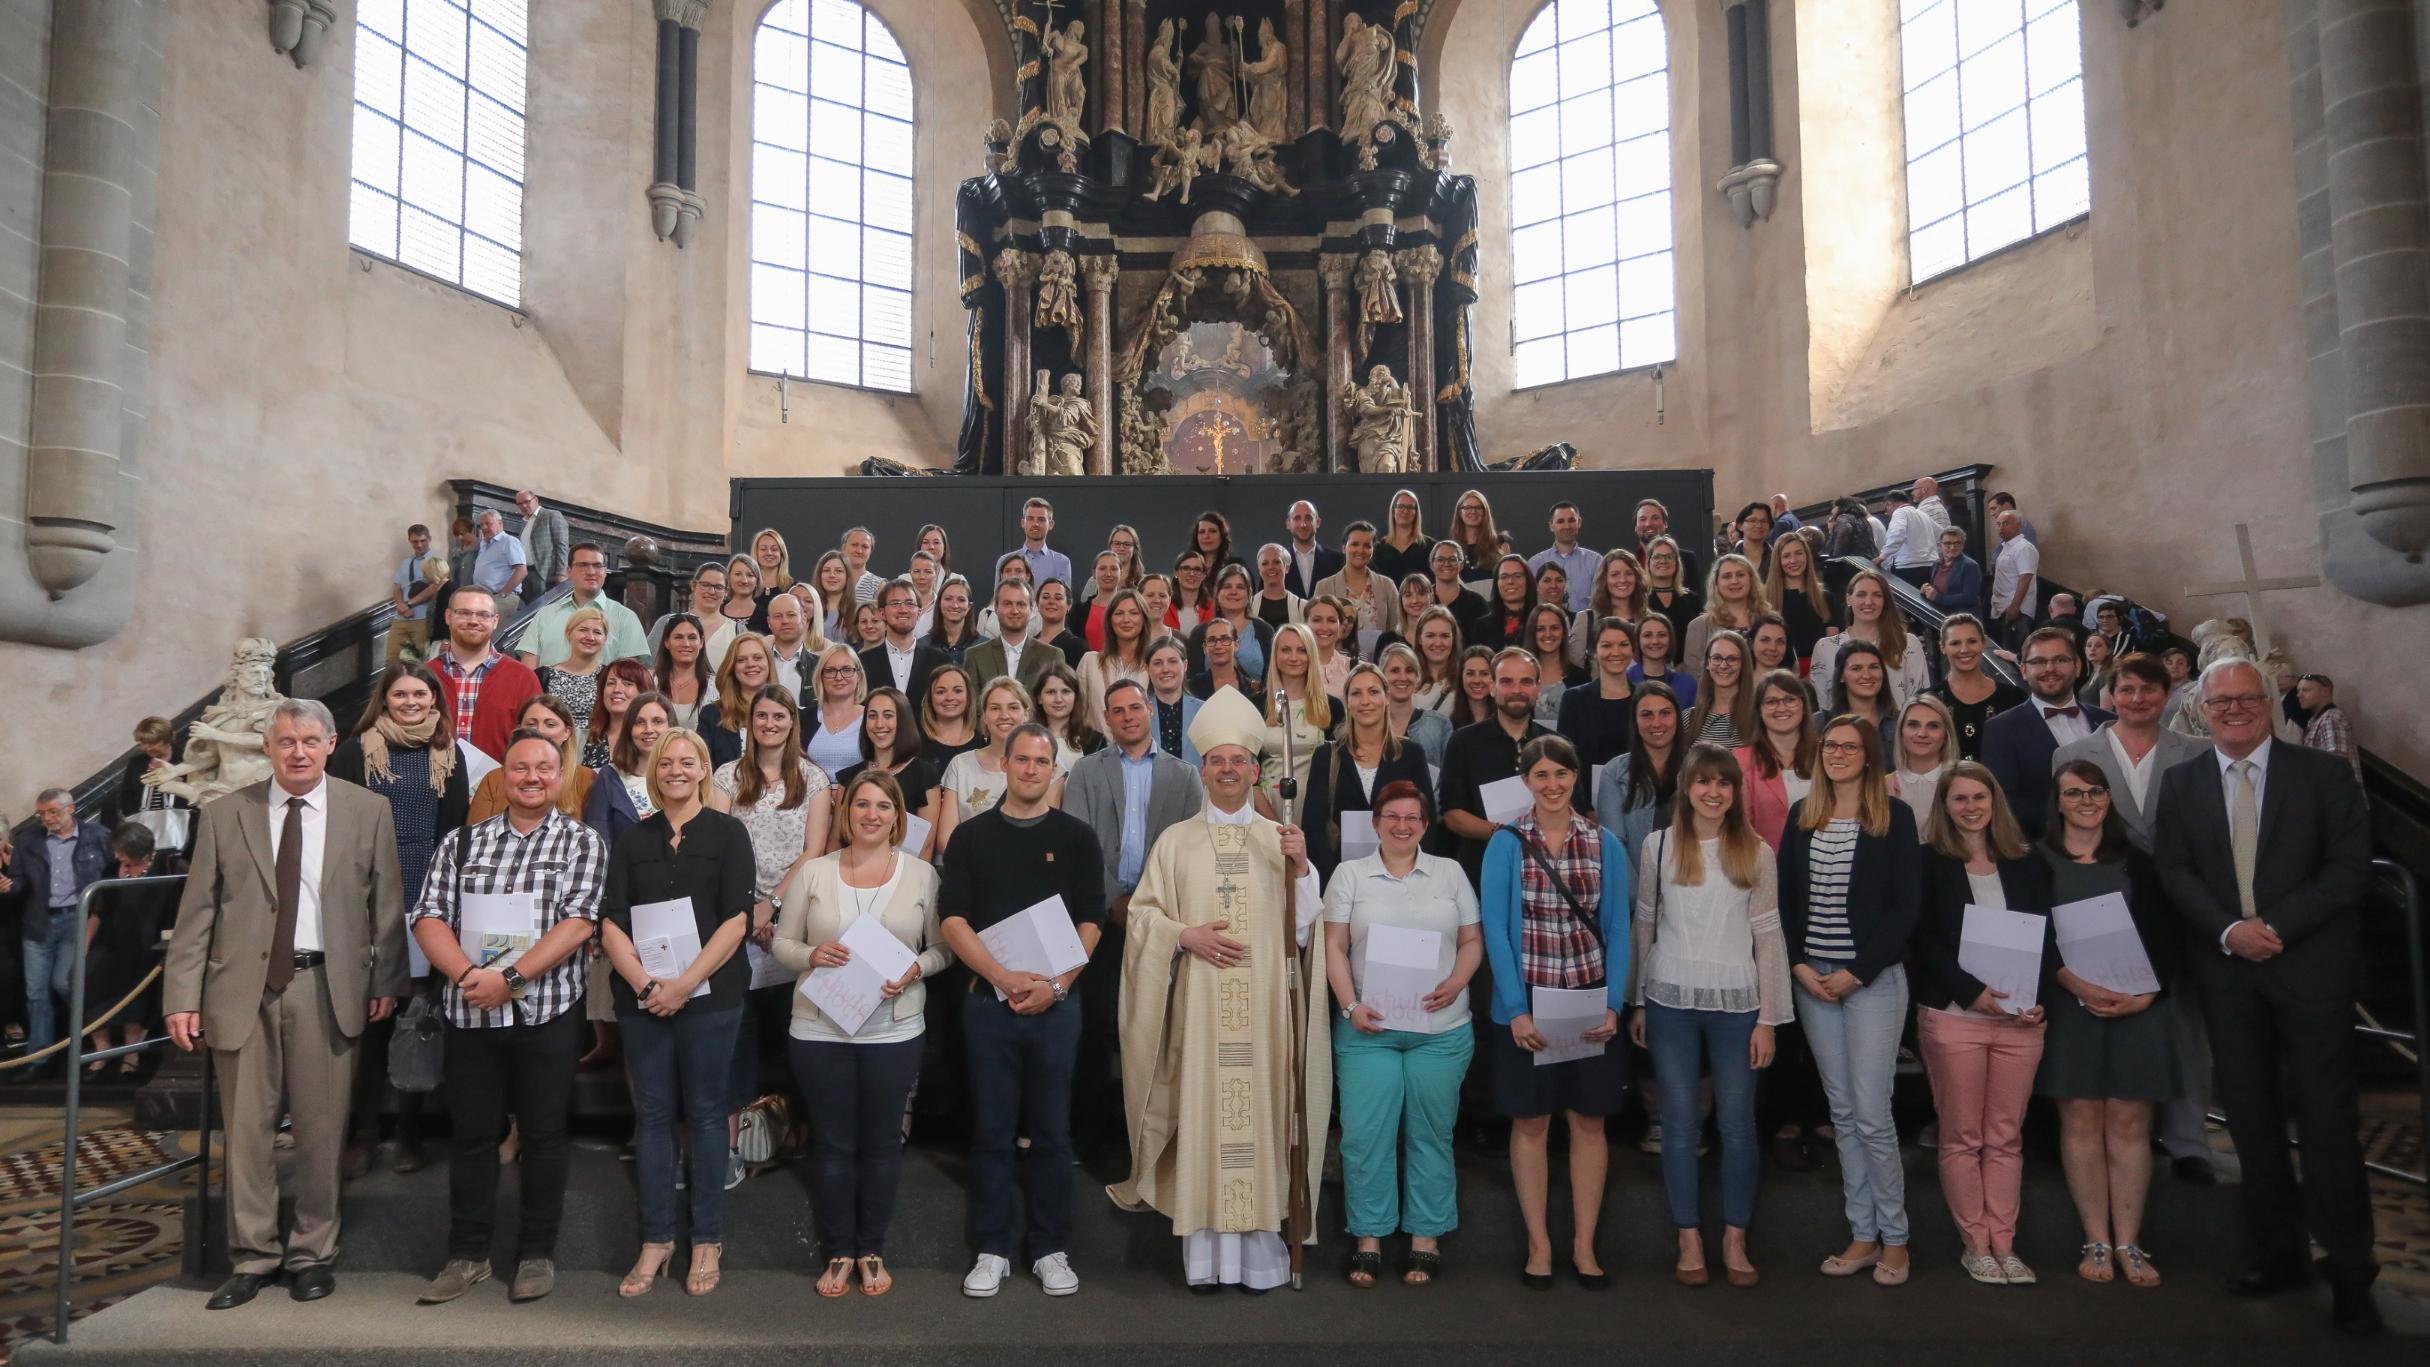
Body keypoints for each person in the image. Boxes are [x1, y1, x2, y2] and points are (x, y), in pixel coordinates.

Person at [2151, 660, 2380, 1335]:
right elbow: (2174, 869)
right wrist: (2229, 930)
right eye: (2219, 701)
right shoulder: (2184, 781)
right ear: (2202, 709)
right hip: (2227, 973)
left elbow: (2348, 866)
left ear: (2268, 703)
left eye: (2247, 698)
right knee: (2250, 1121)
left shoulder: (2324, 775)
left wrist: (2275, 928)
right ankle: (2277, 1253)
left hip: (2309, 969)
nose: (2233, 709)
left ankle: (2350, 1273)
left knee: (2329, 1123)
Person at [165, 699, 407, 1310]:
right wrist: (180, 996)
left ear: (330, 745)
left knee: (322, 1133)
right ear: (269, 749)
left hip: (327, 988)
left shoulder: (367, 810)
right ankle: (252, 1257)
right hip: (238, 993)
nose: (297, 751)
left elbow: (386, 908)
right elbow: (196, 916)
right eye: (285, 741)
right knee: (247, 1133)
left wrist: (387, 982)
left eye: (309, 740)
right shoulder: (226, 814)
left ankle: (311, 1254)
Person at [1109, 689, 1327, 1292]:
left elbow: (1306, 929)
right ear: (1201, 769)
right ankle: (1206, 1262)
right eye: (1217, 761)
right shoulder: (1175, 842)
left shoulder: (1280, 839)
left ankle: (1259, 1261)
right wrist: (1185, 936)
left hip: (1263, 1019)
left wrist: (1303, 866)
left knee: (1260, 1123)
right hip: (1199, 1013)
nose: (1228, 770)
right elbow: (1144, 918)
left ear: (1257, 770)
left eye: (1239, 762)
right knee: (1205, 1119)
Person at [410, 727, 606, 1306]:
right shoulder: (462, 844)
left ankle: (536, 1253)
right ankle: (467, 1254)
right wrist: (471, 978)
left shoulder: (579, 842)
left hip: (547, 1015)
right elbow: (428, 916)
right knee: (472, 1136)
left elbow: (579, 922)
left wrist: (511, 979)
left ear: (559, 774)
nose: (531, 778)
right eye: (520, 768)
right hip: (471, 1015)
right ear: (503, 776)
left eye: (544, 768)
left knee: (544, 1136)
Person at [937, 725, 1105, 1297]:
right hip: (989, 1004)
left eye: (1042, 761)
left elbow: (1091, 921)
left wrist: (1056, 986)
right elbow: (952, 919)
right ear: (1003, 765)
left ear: (1054, 769)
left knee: (1053, 1133)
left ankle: (1051, 1249)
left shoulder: (1077, 838)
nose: (1032, 769)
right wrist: (1002, 976)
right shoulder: (970, 837)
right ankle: (991, 1249)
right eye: (1022, 760)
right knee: (991, 1131)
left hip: (1059, 1007)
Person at [771, 770, 950, 1298]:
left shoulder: (922, 876)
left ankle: (871, 1247)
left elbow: (945, 947)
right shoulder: (814, 874)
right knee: (830, 1142)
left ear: (899, 816)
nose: (872, 815)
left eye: (884, 806)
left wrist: (916, 968)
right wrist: (811, 954)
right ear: (845, 814)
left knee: (880, 1144)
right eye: (861, 805)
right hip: (818, 1028)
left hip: (892, 1033)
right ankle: (838, 1252)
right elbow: (782, 942)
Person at [597, 728, 754, 1298]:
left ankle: (707, 1238)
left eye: (688, 762)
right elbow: (611, 920)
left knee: (709, 1114)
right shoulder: (633, 837)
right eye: (667, 763)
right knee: (655, 1117)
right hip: (644, 1000)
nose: (677, 771)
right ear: (653, 772)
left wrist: (685, 985)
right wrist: (646, 985)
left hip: (710, 998)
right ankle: (656, 1239)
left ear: (704, 769)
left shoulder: (729, 833)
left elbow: (737, 919)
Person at [1626, 744, 1787, 1288]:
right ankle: (1688, 1235)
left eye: (1724, 783)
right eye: (1703, 783)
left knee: (1738, 1126)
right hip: (1669, 999)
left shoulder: (1757, 851)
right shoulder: (1659, 844)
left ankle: (1734, 1238)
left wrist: (1769, 1017)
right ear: (1687, 788)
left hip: (1738, 1005)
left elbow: (1768, 935)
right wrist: (1638, 1001)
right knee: (1678, 1123)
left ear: (1734, 792)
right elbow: (1644, 924)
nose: (1713, 792)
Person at [1480, 735, 1629, 1289]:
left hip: (1588, 1002)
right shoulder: (1506, 843)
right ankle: (1539, 1245)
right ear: (1525, 781)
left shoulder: (1603, 842)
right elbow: (1495, 926)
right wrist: (1516, 1010)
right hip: (1529, 1007)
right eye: (1540, 775)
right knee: (1532, 1122)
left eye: (1561, 774)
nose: (1552, 785)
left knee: (1590, 1123)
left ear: (1574, 778)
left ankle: (1584, 1245)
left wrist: (1614, 1002)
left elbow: (1617, 926)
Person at [1779, 716, 1921, 1286]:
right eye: (1830, 745)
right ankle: (1863, 1233)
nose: (1837, 753)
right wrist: (1799, 965)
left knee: (1872, 1114)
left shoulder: (1896, 817)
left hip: (1872, 983)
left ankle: (1897, 1239)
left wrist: (1857, 972)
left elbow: (1906, 909)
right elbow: (1785, 900)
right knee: (1841, 1113)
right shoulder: (1802, 815)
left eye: (1850, 746)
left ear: (1869, 756)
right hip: (1813, 983)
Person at [1324, 780, 1480, 1288]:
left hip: (1441, 1029)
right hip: (1370, 1027)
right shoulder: (1350, 876)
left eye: (1413, 817)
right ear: (1375, 822)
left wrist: (1457, 982)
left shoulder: (1450, 873)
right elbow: (1335, 947)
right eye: (1392, 815)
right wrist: (1350, 1005)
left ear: (1425, 824)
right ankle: (1368, 1238)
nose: (1402, 825)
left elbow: (1471, 940)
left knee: (1430, 1134)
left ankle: (1425, 1239)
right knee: (1366, 1136)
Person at [2040, 758, 2183, 1289]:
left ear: (2108, 798)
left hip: (2137, 1009)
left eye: (2095, 792)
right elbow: (2034, 937)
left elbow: (2170, 937)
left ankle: (2129, 1242)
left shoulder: (2139, 863)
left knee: (2128, 1124)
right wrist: (2071, 983)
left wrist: (2147, 995)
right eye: (2073, 793)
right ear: (2057, 801)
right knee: (2080, 1121)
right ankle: (2095, 1239)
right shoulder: (2036, 861)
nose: (2086, 801)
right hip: (2070, 1008)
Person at [1912, 762, 2055, 1286]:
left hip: (2021, 1021)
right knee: (1962, 1136)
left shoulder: (2026, 862)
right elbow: (1922, 940)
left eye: (1979, 796)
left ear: (1994, 801)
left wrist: (2041, 1000)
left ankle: (2005, 1243)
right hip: (1955, 1019)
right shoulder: (1929, 862)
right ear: (1945, 807)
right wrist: (1970, 992)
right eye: (1959, 799)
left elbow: (2046, 938)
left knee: (2006, 1137)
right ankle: (1976, 1244)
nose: (1971, 806)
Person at [1061, 680, 1202, 1160]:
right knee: (1095, 1027)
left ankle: (1155, 1138)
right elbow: (1079, 844)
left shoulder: (1184, 777)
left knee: (1159, 1027)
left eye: (1134, 707)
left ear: (1149, 710)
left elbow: (1189, 850)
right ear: (1107, 718)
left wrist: (1147, 906)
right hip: (1099, 920)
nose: (1127, 717)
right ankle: (1091, 1139)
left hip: (1162, 919)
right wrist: (1116, 902)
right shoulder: (1085, 771)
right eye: (1116, 711)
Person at [707, 684, 832, 946]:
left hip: (795, 906)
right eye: (761, 715)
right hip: (738, 905)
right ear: (751, 721)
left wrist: (771, 905)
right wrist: (749, 909)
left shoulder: (814, 778)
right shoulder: (727, 776)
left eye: (778, 716)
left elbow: (814, 850)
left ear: (792, 722)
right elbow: (717, 846)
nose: (769, 724)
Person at [1301, 664, 1433, 881]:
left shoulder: (1411, 754)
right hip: (1340, 877)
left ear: (1387, 697)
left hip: (1403, 878)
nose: (1365, 701)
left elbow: (1427, 821)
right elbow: (1313, 828)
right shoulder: (1326, 756)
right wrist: (1337, 878)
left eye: (1373, 692)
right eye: (1356, 693)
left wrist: (1408, 873)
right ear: (1347, 701)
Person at [1981, 627, 2113, 839]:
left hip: (2112, 847)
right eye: (2039, 662)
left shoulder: (2109, 723)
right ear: (2023, 670)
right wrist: (2072, 822)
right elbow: (2004, 801)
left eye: (2060, 660)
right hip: (2044, 852)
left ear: (2077, 666)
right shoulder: (2001, 729)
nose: (2050, 668)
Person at [12, 789, 113, 1064]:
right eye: (41, 813)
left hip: (77, 918)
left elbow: (112, 873)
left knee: (65, 982)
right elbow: (19, 881)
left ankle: (98, 1038)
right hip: (39, 921)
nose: (47, 818)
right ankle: (39, 1057)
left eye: (53, 811)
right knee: (36, 992)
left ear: (71, 809)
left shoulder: (97, 836)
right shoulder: (27, 840)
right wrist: (11, 886)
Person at [84, 821, 176, 1077]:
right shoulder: (114, 868)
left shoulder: (167, 865)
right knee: (89, 981)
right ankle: (101, 1049)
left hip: (149, 944)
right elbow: (98, 910)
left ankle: (131, 1052)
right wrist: (86, 944)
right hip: (112, 941)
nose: (116, 856)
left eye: (121, 851)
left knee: (135, 991)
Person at [938, 677, 1054, 848]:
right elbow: (945, 839)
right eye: (995, 708)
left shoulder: (1046, 765)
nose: (1004, 715)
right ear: (984, 716)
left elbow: (1049, 831)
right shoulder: (960, 765)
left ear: (1026, 714)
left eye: (1013, 707)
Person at [430, 587, 542, 761]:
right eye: (464, 613)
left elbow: (535, 742)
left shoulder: (523, 678)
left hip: (499, 785)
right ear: (448, 616)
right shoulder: (425, 677)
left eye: (483, 615)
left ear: (496, 621)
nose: (473, 621)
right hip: (433, 783)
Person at [1594, 682, 1683, 873]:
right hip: (1635, 893)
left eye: (1665, 713)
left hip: (1690, 889)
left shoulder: (1697, 768)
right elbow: (1614, 846)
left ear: (1677, 717)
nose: (1656, 723)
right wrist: (1640, 898)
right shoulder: (1614, 772)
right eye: (1646, 715)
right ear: (1635, 720)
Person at [470, 693, 596, 823]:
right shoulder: (494, 779)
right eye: (531, 724)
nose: (539, 731)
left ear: (567, 732)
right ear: (519, 730)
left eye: (550, 724)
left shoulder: (586, 778)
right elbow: (473, 837)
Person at [520, 544, 649, 668]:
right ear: (569, 571)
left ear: (604, 572)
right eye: (583, 565)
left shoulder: (625, 618)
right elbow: (528, 672)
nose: (591, 572)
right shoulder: (545, 615)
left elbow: (630, 675)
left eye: (598, 566)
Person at [1925, 614, 2026, 762]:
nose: (1964, 650)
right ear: (1943, 647)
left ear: (1984, 643)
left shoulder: (2014, 698)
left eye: (1972, 641)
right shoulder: (1928, 700)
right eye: (1955, 643)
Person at [1736, 670, 1818, 849]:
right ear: (1759, 710)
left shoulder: (1825, 755)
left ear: (1804, 706)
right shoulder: (1742, 761)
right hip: (1764, 865)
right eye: (1771, 702)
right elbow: (1739, 826)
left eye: (1790, 699)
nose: (1781, 708)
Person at [585, 692, 675, 847]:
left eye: (658, 721)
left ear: (670, 726)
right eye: (639, 722)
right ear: (628, 729)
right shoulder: (609, 776)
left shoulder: (684, 775)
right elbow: (598, 841)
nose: (648, 729)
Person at [1260, 624, 1334, 810]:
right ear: (1275, 655)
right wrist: (1272, 824)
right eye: (1285, 650)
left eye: (1301, 650)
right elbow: (1249, 772)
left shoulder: (1333, 707)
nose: (1294, 658)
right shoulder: (1256, 704)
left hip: (1317, 806)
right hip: (1266, 808)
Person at [862, 578, 952, 713]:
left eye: (910, 603)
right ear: (882, 613)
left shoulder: (941, 662)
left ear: (919, 612)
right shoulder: (862, 663)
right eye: (895, 603)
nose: (903, 609)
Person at [964, 579, 1059, 695]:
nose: (1014, 611)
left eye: (1021, 604)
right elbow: (973, 706)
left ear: (1031, 609)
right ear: (996, 608)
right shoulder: (975, 656)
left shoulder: (1052, 656)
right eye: (1008, 604)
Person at [1313, 521, 1402, 639]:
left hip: (1380, 656)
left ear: (1372, 550)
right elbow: (1315, 630)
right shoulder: (1324, 587)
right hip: (1337, 656)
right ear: (1344, 548)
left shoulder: (1387, 585)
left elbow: (1398, 628)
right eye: (1355, 544)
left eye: (1367, 546)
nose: (1360, 550)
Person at [700, 634, 777, 769]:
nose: (751, 664)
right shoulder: (711, 715)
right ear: (732, 667)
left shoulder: (788, 711)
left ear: (769, 663)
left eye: (757, 658)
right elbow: (702, 766)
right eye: (741, 660)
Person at [533, 606, 610, 738]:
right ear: (569, 633)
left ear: (605, 639)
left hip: (598, 751)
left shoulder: (610, 676)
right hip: (554, 750)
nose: (590, 637)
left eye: (597, 632)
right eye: (583, 630)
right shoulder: (543, 676)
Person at [1080, 588, 1154, 724]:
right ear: (1110, 620)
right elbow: (1078, 715)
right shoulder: (1089, 662)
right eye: (1119, 613)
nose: (1126, 619)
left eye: (1134, 613)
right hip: (1099, 744)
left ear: (1144, 619)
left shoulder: (1154, 664)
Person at [1378, 642, 1455, 771]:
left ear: (1417, 677)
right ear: (1382, 676)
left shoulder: (1439, 724)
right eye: (1395, 670)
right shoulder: (1368, 723)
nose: (1403, 677)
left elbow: (1449, 778)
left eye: (1409, 671)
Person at [1765, 534, 1839, 667]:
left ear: (1807, 556)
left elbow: (1832, 647)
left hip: (1821, 672)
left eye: (1798, 553)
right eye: (1786, 556)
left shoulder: (1826, 598)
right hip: (1781, 673)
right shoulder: (1767, 600)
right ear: (1778, 561)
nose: (1793, 560)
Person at [1191, 563, 1271, 681]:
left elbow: (1273, 679)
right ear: (1217, 593)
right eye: (1227, 586)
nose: (1233, 592)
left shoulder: (1265, 631)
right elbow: (1192, 681)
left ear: (1249, 594)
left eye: (1240, 587)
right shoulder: (1199, 633)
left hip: (1255, 699)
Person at [1684, 554, 1767, 667]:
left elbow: (1789, 665)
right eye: (1727, 576)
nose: (1734, 581)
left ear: (1752, 580)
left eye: (1740, 575)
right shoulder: (1699, 627)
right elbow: (1694, 674)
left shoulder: (1770, 620)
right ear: (1716, 583)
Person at [801, 642, 868, 780]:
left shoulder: (871, 717)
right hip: (812, 797)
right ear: (821, 676)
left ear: (859, 676)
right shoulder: (804, 718)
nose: (839, 677)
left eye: (847, 670)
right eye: (830, 671)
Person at [1892, 695, 1959, 827]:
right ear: (1901, 731)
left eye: (1933, 726)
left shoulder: (1964, 782)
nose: (1922, 733)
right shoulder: (1881, 786)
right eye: (1913, 725)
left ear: (1946, 735)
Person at [1685, 630, 1754, 750]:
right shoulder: (1688, 719)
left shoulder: (1758, 717)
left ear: (1743, 664)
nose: (1723, 665)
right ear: (1707, 663)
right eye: (1717, 658)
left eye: (1732, 659)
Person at [1526, 501, 1598, 613]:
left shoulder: (1596, 562)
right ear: (1551, 525)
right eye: (1560, 521)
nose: (1566, 526)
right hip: (1546, 627)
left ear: (1579, 522)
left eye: (1571, 520)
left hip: (1588, 628)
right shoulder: (1535, 563)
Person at [1831, 640, 1900, 752]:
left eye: (1873, 667)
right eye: (1856, 668)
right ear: (1841, 676)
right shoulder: (1822, 723)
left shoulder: (1902, 722)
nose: (1867, 675)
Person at [388, 523, 443, 663]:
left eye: (423, 541)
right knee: (392, 660)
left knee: (420, 661)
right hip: (400, 618)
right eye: (415, 541)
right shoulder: (406, 562)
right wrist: (401, 605)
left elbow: (435, 586)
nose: (419, 545)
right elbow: (397, 587)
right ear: (410, 541)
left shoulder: (435, 561)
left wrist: (409, 604)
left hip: (422, 618)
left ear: (429, 539)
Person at [1187, 613, 1265, 709]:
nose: (1218, 646)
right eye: (1212, 640)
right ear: (1204, 648)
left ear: (1236, 645)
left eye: (1225, 639)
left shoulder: (1254, 689)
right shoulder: (1191, 687)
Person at [650, 561, 729, 655]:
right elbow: (647, 665)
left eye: (719, 587)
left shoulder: (737, 629)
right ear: (694, 586)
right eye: (705, 585)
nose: (712, 591)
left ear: (726, 592)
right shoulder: (667, 623)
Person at [1143, 638, 1201, 765]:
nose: (1165, 669)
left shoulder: (1204, 711)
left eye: (1172, 661)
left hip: (1195, 784)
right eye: (1157, 663)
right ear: (1147, 668)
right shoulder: (1138, 713)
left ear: (1185, 665)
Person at [1989, 511, 2041, 651]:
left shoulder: (2023, 548)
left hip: (2017, 612)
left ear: (2019, 526)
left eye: (2006, 523)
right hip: (2003, 608)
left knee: (2015, 654)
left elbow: (2025, 577)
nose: (2001, 528)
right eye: (1998, 524)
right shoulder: (2006, 548)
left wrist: (2015, 606)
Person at [2297, 673, 2361, 783]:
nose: (2299, 695)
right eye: (2298, 691)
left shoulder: (2331, 719)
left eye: (2306, 690)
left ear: (2325, 692)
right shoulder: (2316, 721)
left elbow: (2336, 766)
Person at [1629, 612, 1697, 710]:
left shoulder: (1688, 684)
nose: (1655, 641)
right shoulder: (1625, 681)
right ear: (1638, 640)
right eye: (1647, 635)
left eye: (1662, 635)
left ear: (1670, 640)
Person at [1423, 539, 1490, 637]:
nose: (1446, 564)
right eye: (1440, 559)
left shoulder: (1476, 602)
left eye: (1452, 559)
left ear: (1461, 565)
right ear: (1432, 565)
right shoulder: (1422, 600)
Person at [919, 663, 982, 766]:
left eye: (957, 690)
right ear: (930, 698)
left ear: (968, 696)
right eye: (941, 692)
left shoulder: (983, 743)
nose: (949, 697)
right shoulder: (916, 747)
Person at [512, 490, 569, 603]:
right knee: (527, 611)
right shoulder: (523, 523)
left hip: (544, 573)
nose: (524, 506)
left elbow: (562, 546)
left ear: (536, 500)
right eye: (520, 504)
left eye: (527, 502)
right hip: (525, 574)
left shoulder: (551, 515)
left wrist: (561, 573)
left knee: (540, 609)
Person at [1523, 604, 1577, 723]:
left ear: (1563, 632)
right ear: (1532, 633)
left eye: (1554, 628)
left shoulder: (1579, 677)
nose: (1548, 634)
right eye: (1540, 629)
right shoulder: (1519, 677)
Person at [763, 590, 821, 701]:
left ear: (803, 618)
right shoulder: (757, 665)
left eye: (791, 615)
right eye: (778, 616)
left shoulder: (820, 666)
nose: (785, 621)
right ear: (769, 622)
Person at [1406, 605, 1465, 714]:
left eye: (1445, 636)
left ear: (1454, 638)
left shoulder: (1465, 679)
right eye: (1430, 636)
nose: (1438, 643)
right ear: (1419, 638)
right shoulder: (1406, 678)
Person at [1472, 554, 1535, 652]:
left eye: (1517, 576)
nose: (1510, 581)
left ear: (1528, 580)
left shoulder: (1542, 621)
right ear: (1497, 583)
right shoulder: (1482, 626)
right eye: (1504, 577)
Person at [1282, 499, 1344, 599]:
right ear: (1288, 524)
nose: (1303, 524)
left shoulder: (1337, 561)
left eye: (1308, 518)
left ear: (1318, 522)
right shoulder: (1277, 562)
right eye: (1297, 518)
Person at [1924, 525, 1985, 622]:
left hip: (1964, 621)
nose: (1952, 547)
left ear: (1963, 545)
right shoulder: (1937, 564)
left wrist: (1939, 598)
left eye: (1957, 543)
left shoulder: (1970, 566)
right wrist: (1927, 590)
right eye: (1948, 543)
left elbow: (1969, 598)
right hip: (1941, 617)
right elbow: (1937, 590)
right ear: (1940, 545)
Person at [1878, 488, 1936, 588]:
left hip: (1908, 566)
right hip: (1930, 565)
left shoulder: (1900, 512)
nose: (1887, 512)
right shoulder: (1922, 514)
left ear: (1890, 504)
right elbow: (1940, 533)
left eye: (1886, 507)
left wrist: (1881, 557)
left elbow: (1897, 535)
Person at [1374, 488, 1434, 584]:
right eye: (1401, 506)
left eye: (1410, 507)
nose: (1405, 511)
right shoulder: (1379, 548)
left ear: (1416, 512)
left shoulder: (1430, 546)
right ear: (1393, 511)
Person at [1447, 488, 1502, 583]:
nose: (1473, 511)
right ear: (1460, 512)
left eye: (1478, 507)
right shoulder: (1450, 548)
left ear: (1485, 511)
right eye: (1468, 507)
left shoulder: (1500, 545)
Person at [471, 509, 528, 599]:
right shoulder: (483, 544)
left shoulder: (509, 541)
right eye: (481, 525)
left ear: (500, 523)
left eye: (488, 523)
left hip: (501, 596)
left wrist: (503, 594)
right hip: (483, 597)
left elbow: (522, 571)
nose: (484, 527)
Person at [1306, 595, 1356, 697]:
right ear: (1306, 624)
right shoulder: (1293, 666)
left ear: (1341, 625)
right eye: (1317, 620)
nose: (1324, 628)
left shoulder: (1353, 668)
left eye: (1331, 620)